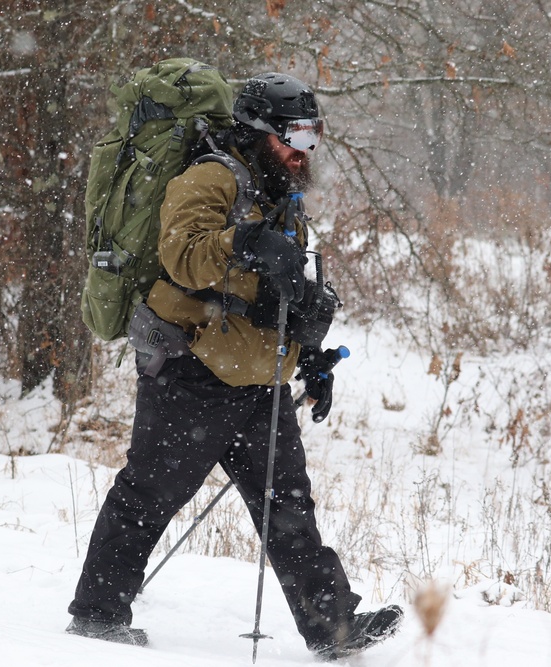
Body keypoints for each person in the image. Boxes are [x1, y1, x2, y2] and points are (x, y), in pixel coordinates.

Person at [66, 72, 402, 660]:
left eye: (313, 136)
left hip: (258, 380)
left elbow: (276, 293)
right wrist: (243, 243)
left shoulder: (281, 194)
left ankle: (334, 629)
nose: (303, 152)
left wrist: (313, 357)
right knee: (149, 495)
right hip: (189, 369)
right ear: (256, 132)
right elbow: (184, 257)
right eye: (293, 137)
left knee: (290, 509)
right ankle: (97, 614)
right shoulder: (209, 178)